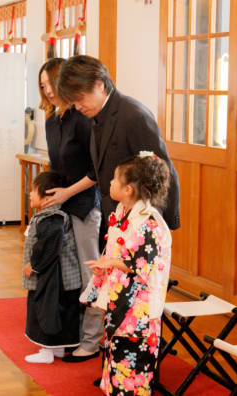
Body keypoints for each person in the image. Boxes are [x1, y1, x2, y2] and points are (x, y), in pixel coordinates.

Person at [56, 55, 180, 232]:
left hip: (140, 221)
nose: (77, 107)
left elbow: (162, 168)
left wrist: (162, 223)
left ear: (99, 84)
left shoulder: (134, 115)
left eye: (80, 98)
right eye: (73, 102)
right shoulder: (96, 114)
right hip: (113, 215)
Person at [83, 152, 172, 395]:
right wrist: (106, 264)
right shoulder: (123, 213)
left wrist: (111, 261)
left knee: (133, 368)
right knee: (116, 359)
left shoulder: (150, 223)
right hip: (122, 302)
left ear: (129, 189)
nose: (110, 183)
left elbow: (138, 263)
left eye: (114, 179)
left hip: (138, 309)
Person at [36, 58, 103, 363]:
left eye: (50, 84)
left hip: (85, 205)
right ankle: (69, 334)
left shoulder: (83, 119)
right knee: (67, 274)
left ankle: (92, 341)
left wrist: (67, 194)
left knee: (90, 274)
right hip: (60, 205)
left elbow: (95, 170)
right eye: (42, 86)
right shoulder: (52, 121)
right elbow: (57, 166)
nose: (47, 91)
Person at [22, 171, 81, 364]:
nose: (29, 194)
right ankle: (58, 348)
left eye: (33, 191)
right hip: (61, 278)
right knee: (61, 310)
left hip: (53, 279)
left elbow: (48, 246)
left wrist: (34, 266)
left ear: (48, 196)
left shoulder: (52, 218)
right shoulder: (51, 215)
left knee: (48, 310)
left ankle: (47, 350)